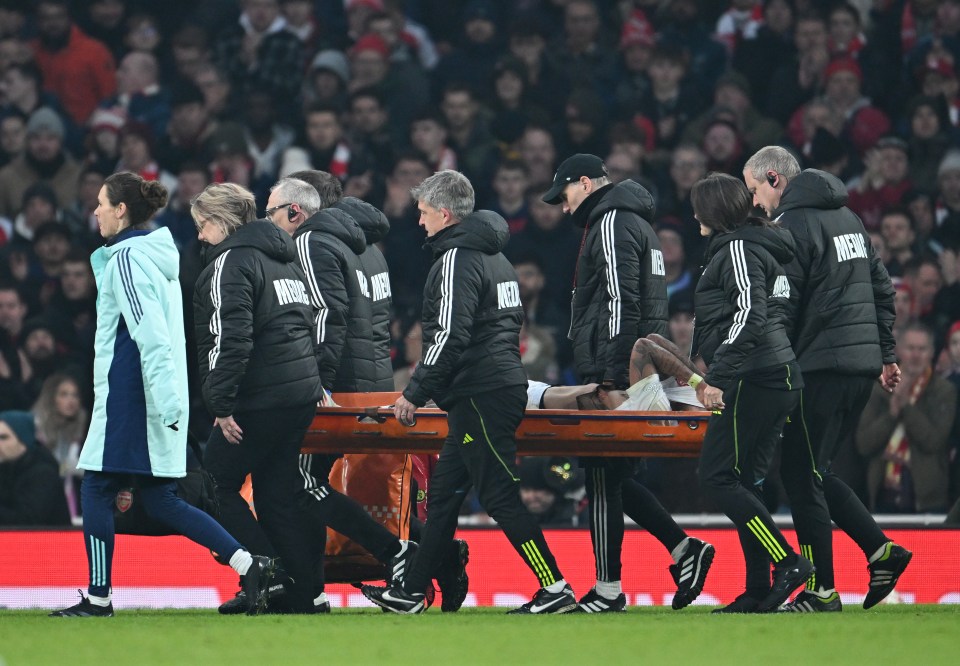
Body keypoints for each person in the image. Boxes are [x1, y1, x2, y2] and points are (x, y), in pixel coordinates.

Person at [50, 173, 273, 618]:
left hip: (134, 396)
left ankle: (98, 598)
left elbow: (149, 337)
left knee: (95, 487)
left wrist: (165, 402)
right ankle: (252, 564)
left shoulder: (128, 260)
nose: (94, 211)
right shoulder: (153, 256)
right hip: (153, 395)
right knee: (160, 499)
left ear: (121, 210)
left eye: (101, 203)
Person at [362, 170, 578, 615]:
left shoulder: (457, 257)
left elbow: (448, 336)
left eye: (423, 214)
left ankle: (555, 586)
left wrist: (415, 394)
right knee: (442, 498)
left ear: (444, 214)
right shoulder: (496, 258)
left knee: (498, 495)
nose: (419, 223)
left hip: (481, 391)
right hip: (490, 387)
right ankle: (411, 592)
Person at [541, 153, 713, 612]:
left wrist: (613, 375)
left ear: (583, 183)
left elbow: (619, 299)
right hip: (632, 363)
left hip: (619, 366)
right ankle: (682, 550)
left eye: (564, 195)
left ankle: (607, 589)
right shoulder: (634, 221)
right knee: (613, 474)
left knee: (599, 471)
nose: (562, 207)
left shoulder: (612, 220)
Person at [743, 145, 911, 612]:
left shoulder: (792, 225)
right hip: (860, 368)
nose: (755, 203)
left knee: (800, 475)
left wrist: (775, 365)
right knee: (816, 471)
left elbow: (783, 304)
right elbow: (881, 288)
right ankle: (881, 550)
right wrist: (886, 353)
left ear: (774, 179)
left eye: (754, 189)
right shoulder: (850, 220)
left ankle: (822, 591)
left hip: (818, 367)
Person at [256, 175, 418, 612]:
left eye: (272, 211)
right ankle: (314, 590)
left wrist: (319, 384)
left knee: (300, 481)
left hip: (338, 387)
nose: (270, 222)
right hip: (373, 383)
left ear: (300, 208)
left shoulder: (311, 242)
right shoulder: (369, 248)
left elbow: (328, 316)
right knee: (305, 483)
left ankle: (396, 555)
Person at [191, 182, 323, 615]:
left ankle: (266, 574)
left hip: (258, 400)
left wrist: (221, 405)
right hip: (299, 393)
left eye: (204, 224)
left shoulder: (230, 262)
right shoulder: (283, 259)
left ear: (224, 222)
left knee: (215, 487)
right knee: (275, 495)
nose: (200, 235)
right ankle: (303, 592)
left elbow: (231, 339)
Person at [691, 172, 814, 614]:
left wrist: (719, 376)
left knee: (717, 476)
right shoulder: (753, 245)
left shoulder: (739, 247)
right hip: (772, 374)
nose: (693, 215)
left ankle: (787, 562)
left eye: (698, 207)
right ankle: (759, 588)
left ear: (715, 212)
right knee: (746, 483)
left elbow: (748, 314)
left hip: (755, 377)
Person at [857, 323, 955, 514]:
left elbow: (934, 441)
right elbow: (864, 443)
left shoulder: (944, 390)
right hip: (882, 492)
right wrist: (892, 413)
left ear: (932, 352)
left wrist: (906, 407)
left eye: (922, 349)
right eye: (911, 348)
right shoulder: (880, 388)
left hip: (927, 498)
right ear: (899, 350)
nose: (916, 355)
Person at [0, 409, 70, 526]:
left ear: (24, 440)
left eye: (4, 438)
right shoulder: (6, 468)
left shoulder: (43, 474)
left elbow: (26, 522)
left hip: (49, 543)